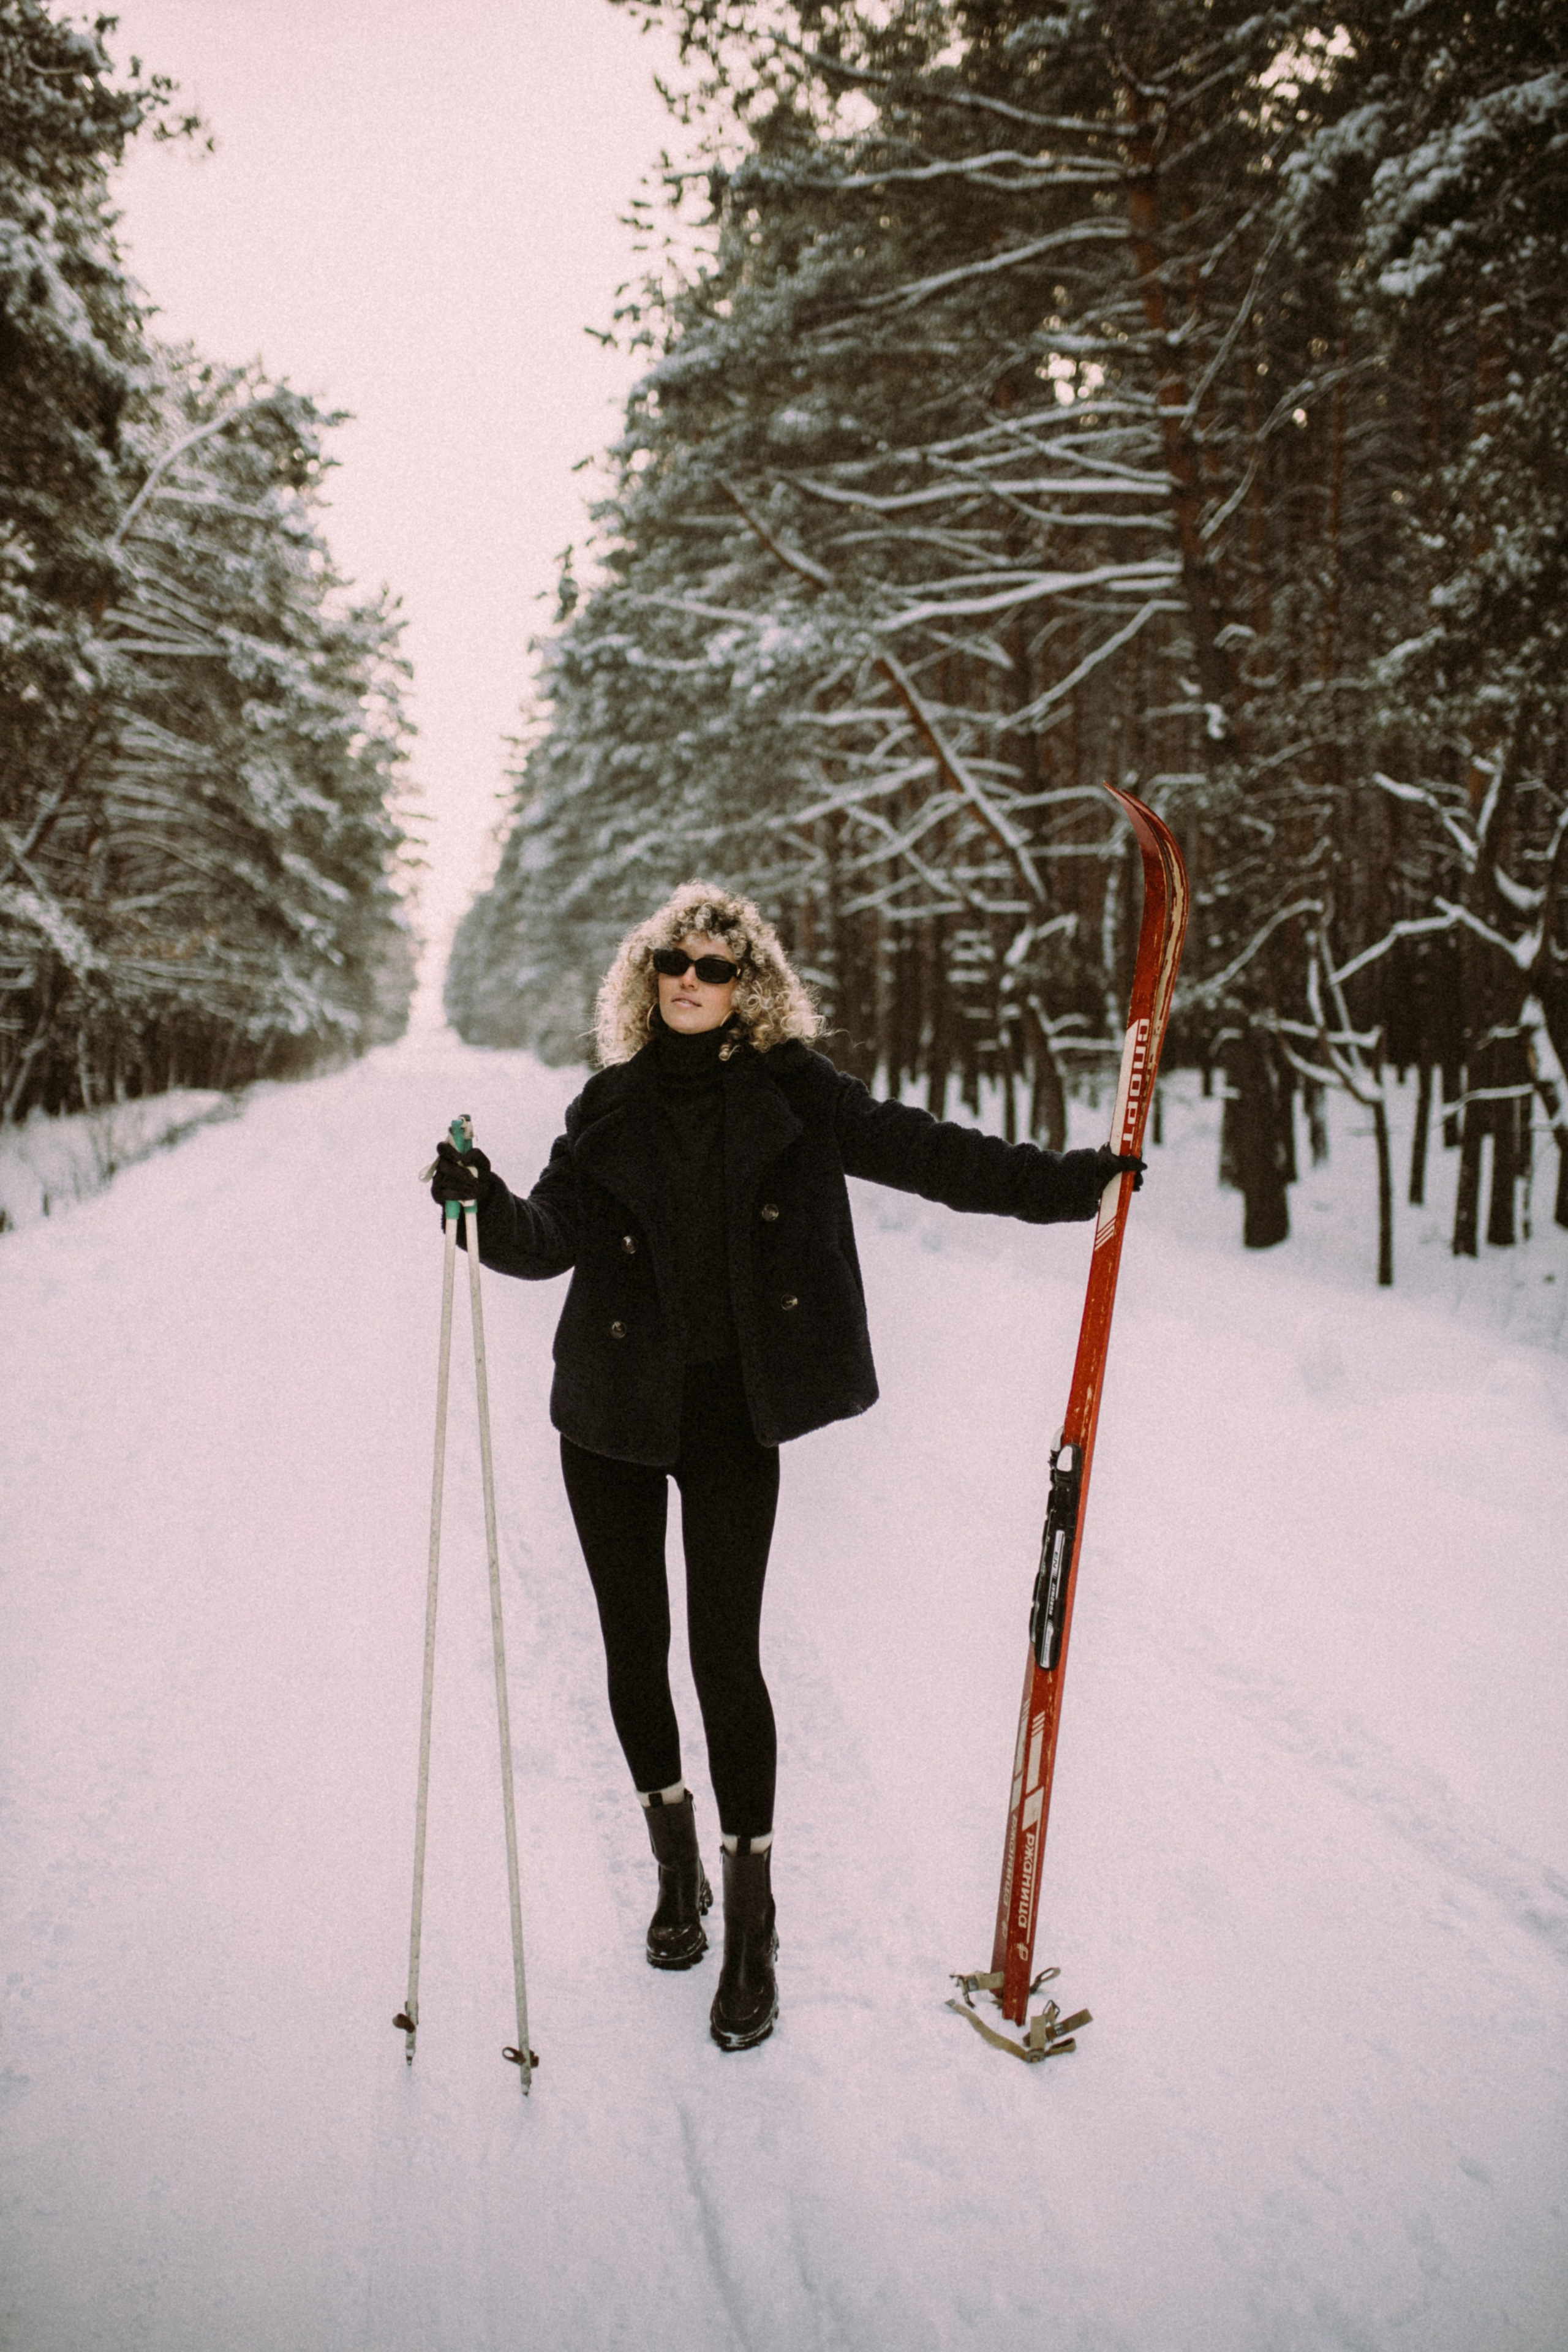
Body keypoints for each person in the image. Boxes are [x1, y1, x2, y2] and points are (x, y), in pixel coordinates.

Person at [429, 881, 1142, 2052]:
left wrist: (1070, 1187)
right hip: (609, 1412)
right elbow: (543, 1241)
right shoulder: (605, 1104)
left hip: (727, 1418)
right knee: (632, 1648)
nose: (692, 981)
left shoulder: (799, 1094)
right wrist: (482, 1201)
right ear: (648, 978)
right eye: (674, 963)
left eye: (716, 964)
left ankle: (752, 1919)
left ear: (748, 982)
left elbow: (930, 1154)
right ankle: (676, 1871)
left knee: (725, 1656)